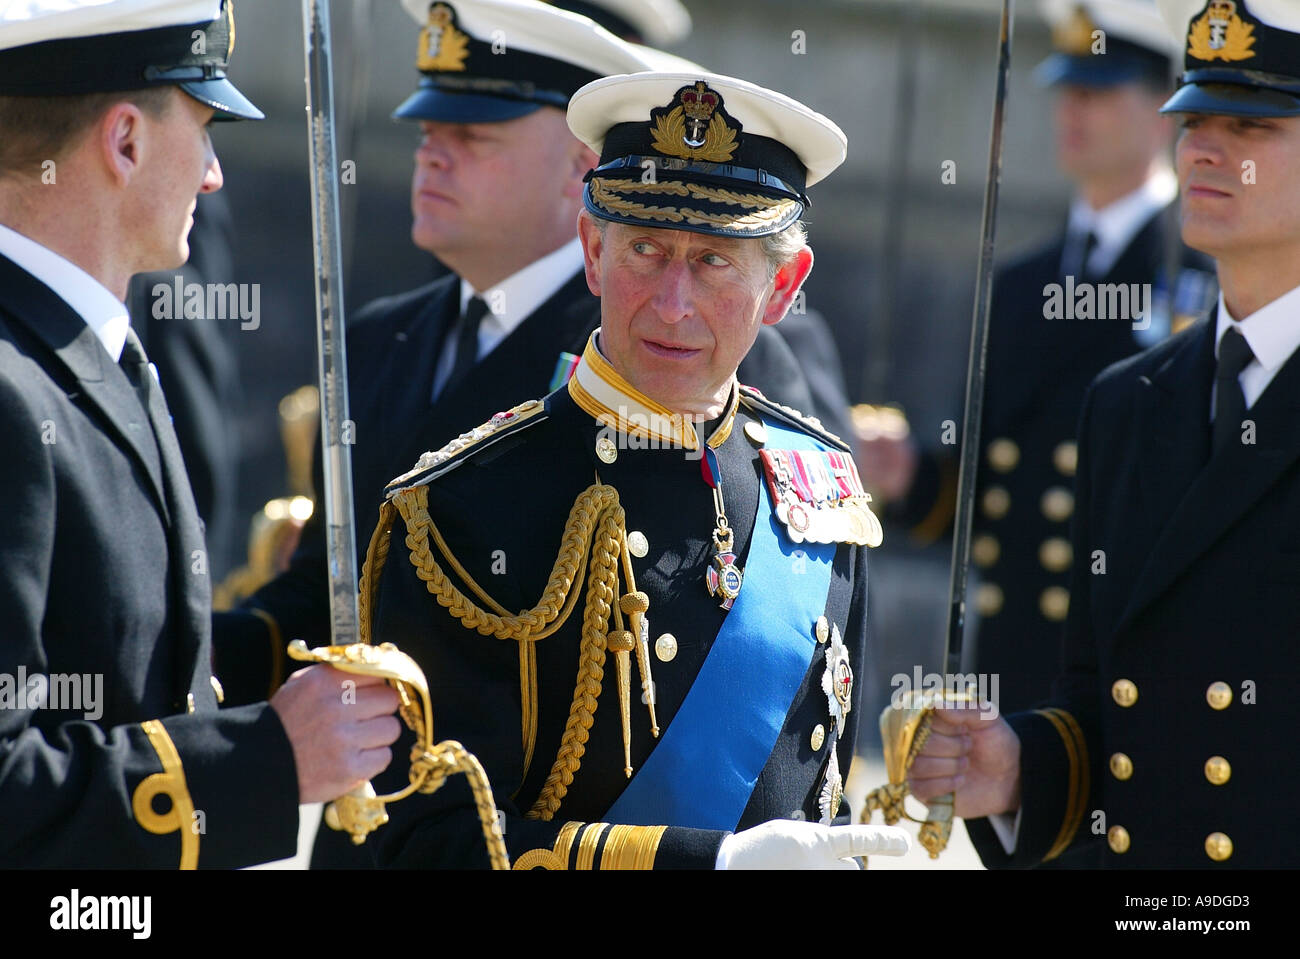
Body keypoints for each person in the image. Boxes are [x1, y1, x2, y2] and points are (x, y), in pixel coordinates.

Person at [365, 68, 912, 869]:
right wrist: (709, 866)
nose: (672, 303)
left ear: (782, 287)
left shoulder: (819, 489)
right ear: (592, 251)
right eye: (646, 250)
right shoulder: (460, 506)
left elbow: (825, 799)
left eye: (716, 262)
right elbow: (432, 845)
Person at [217, 0, 830, 698]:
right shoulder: (378, 341)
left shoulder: (687, 350)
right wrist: (183, 676)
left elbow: (778, 625)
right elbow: (329, 604)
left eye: (473, 134)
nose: (430, 152)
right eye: (426, 129)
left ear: (581, 164)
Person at [0, 0, 399, 868]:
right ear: (126, 141)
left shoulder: (90, 355)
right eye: (207, 126)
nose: (214, 174)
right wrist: (263, 758)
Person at [910, 0, 1300, 869]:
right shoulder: (1127, 404)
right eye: (1194, 115)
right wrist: (1015, 767)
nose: (1200, 146)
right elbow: (1102, 714)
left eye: (1251, 124)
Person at [868, 0, 1217, 717]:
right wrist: (910, 476)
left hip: (1134, 662)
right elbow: (988, 479)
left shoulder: (1200, 272)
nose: (1073, 111)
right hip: (1019, 661)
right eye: (1066, 90)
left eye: (1099, 90)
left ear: (1163, 110)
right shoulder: (1022, 282)